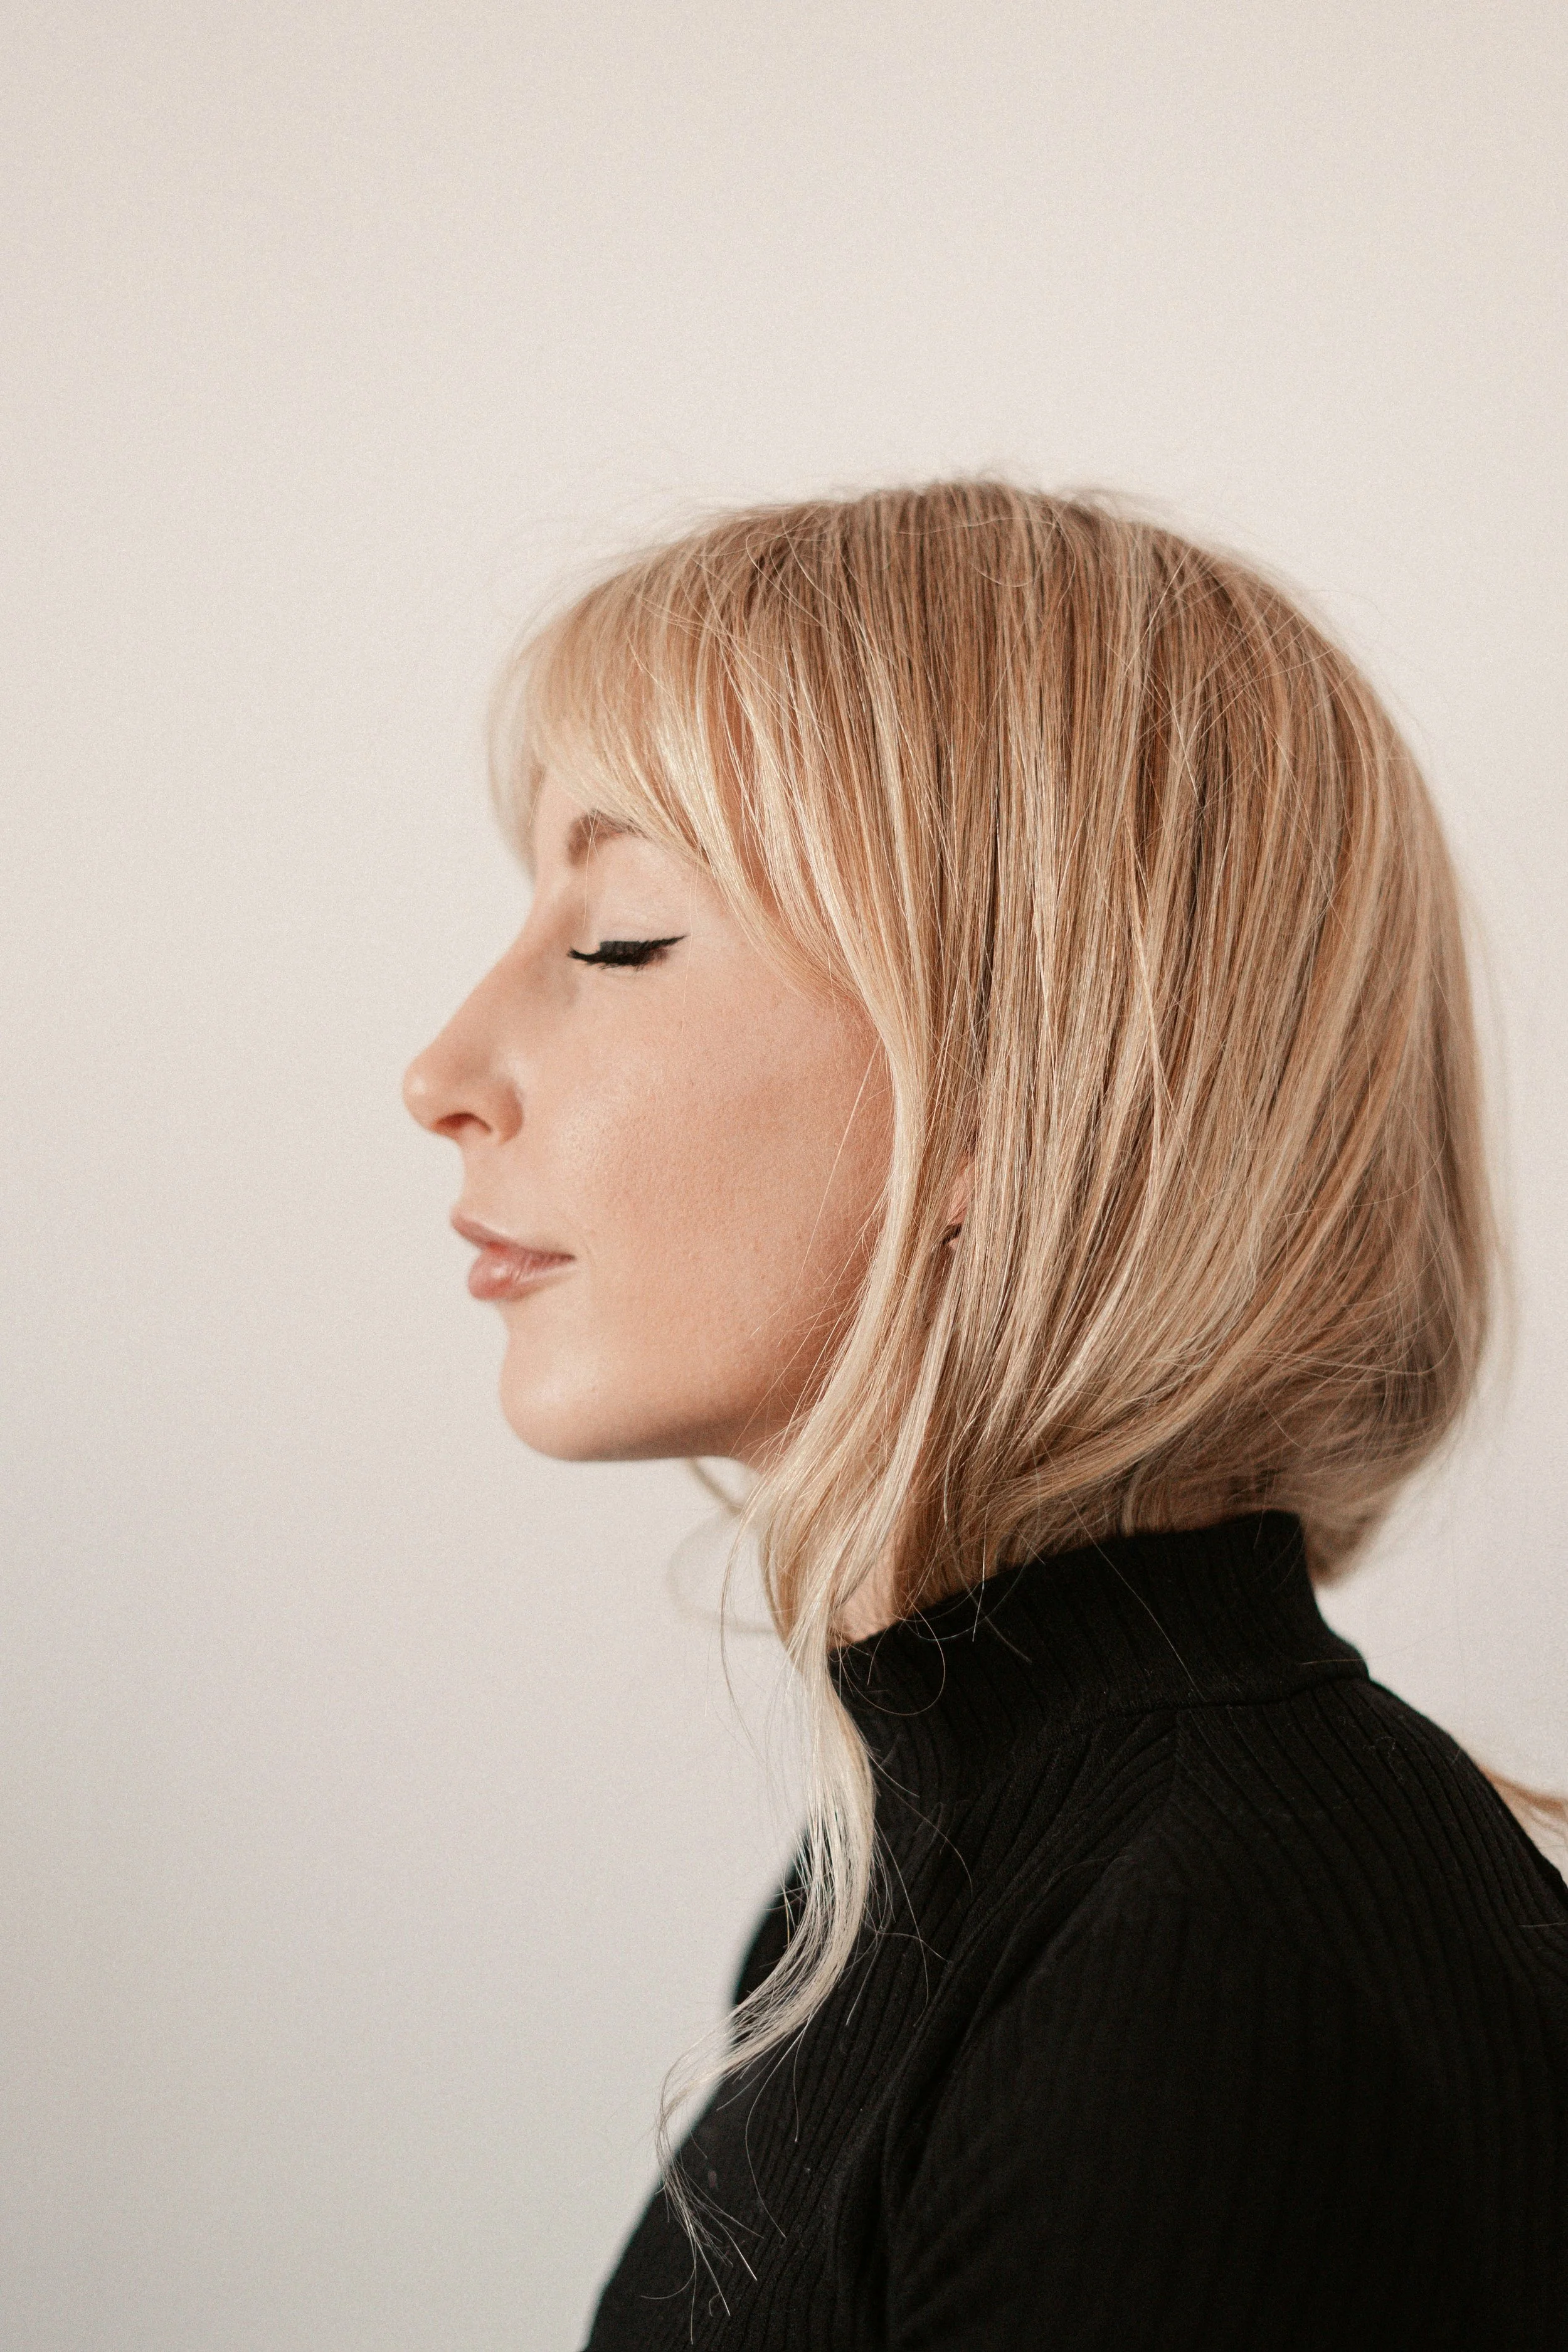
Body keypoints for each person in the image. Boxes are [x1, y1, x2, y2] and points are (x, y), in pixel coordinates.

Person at [403, 483, 1568, 2349]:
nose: (444, 1072)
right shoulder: (925, 1881)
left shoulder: (1214, 1955)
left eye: (615, 937)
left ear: (1015, 1068)